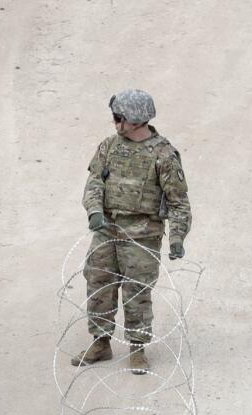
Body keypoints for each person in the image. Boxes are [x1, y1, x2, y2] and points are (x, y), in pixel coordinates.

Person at [72, 89, 191, 374]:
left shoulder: (163, 156)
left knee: (136, 292)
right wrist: (95, 211)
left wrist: (176, 238)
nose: (115, 124)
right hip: (107, 229)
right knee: (99, 285)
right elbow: (94, 184)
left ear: (136, 120)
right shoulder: (109, 147)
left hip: (142, 235)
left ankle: (138, 348)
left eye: (119, 118)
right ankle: (101, 342)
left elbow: (179, 203)